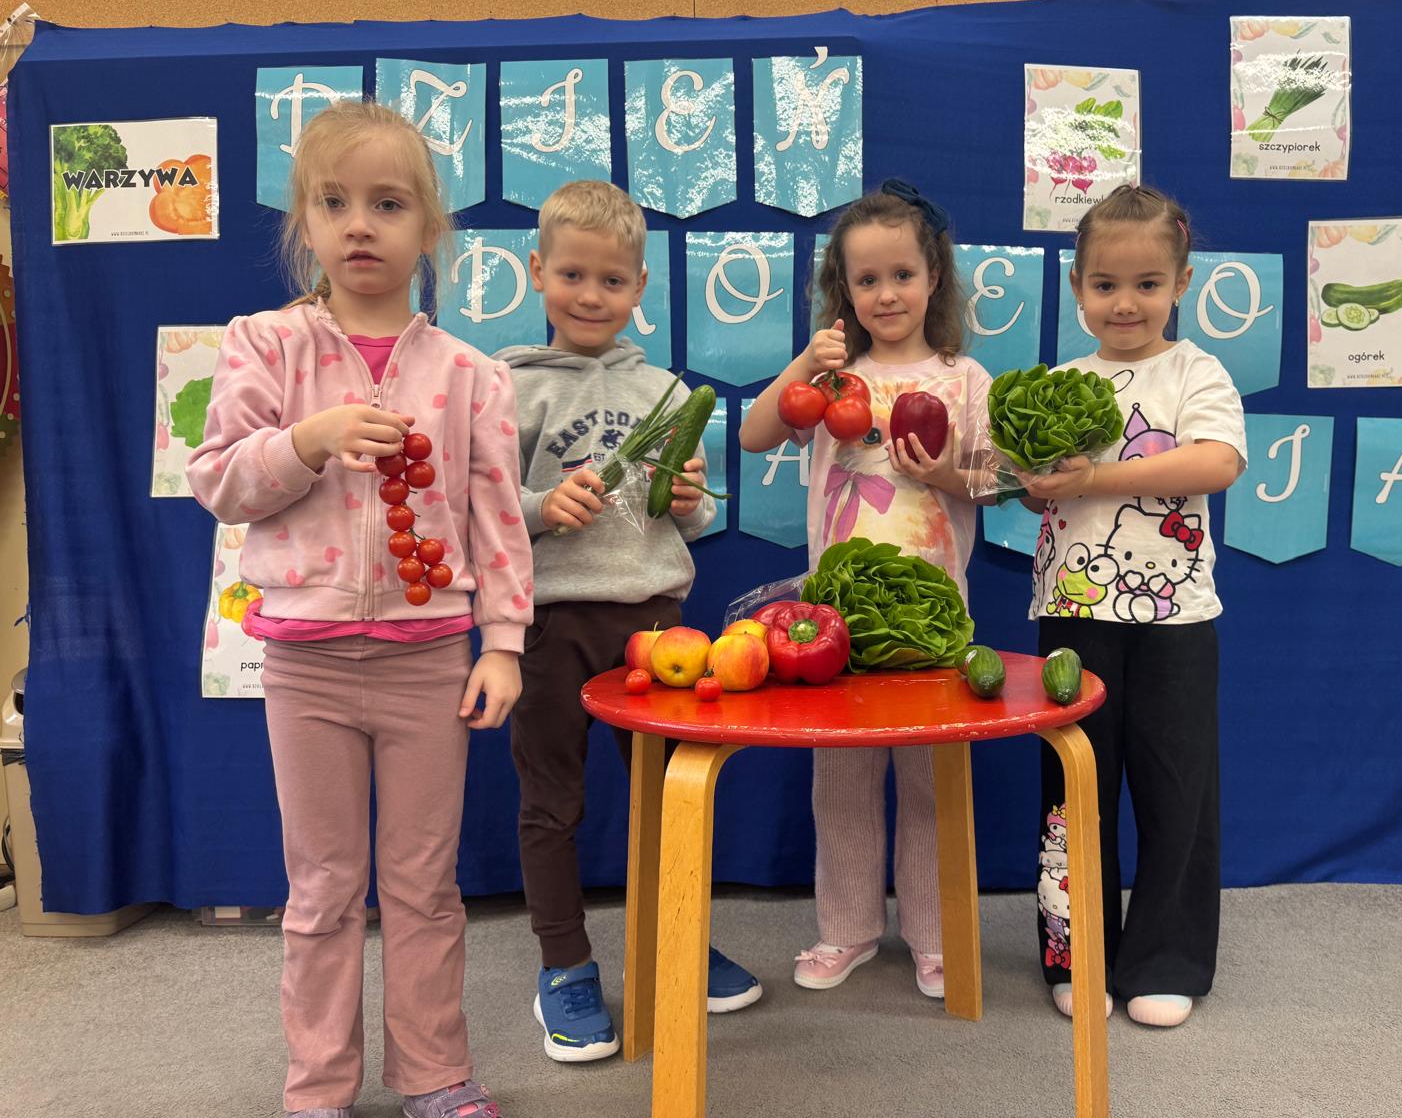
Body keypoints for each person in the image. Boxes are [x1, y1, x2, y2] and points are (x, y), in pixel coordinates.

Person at [187, 101, 533, 1118]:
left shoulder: (470, 374)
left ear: (429, 228)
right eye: (334, 203)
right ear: (304, 222)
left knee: (424, 883)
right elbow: (218, 482)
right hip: (307, 663)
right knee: (324, 886)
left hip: (430, 661)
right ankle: (318, 1087)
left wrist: (503, 644)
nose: (359, 226)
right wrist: (306, 441)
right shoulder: (264, 347)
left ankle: (433, 1072)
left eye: (387, 204)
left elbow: (498, 520)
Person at [497, 179, 761, 1064]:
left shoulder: (668, 391)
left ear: (640, 286)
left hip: (654, 620)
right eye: (572, 274)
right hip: (550, 623)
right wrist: (541, 508)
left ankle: (677, 936)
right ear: (537, 271)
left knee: (668, 799)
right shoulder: (508, 388)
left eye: (612, 280)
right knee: (552, 801)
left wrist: (689, 503)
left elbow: (687, 516)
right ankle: (564, 966)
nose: (591, 295)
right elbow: (482, 510)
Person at [741, 179, 992, 1001]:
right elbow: (755, 434)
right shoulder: (833, 380)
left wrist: (946, 472)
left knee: (931, 785)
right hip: (834, 625)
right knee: (841, 783)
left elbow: (997, 483)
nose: (887, 294)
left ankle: (935, 937)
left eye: (903, 275)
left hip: (934, 621)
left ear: (934, 278)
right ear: (843, 291)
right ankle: (845, 929)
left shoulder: (963, 377)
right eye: (868, 279)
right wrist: (806, 364)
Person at [1023, 183, 1246, 1028]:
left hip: (1176, 620)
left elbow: (1217, 463)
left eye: (1148, 284)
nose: (1126, 303)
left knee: (1176, 790)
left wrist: (1094, 478)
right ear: (1077, 288)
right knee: (1070, 791)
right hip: (1072, 613)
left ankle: (1166, 958)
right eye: (1106, 285)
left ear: (1181, 283)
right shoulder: (1059, 383)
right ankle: (1075, 952)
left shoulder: (1196, 371)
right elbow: (1034, 489)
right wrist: (1027, 480)